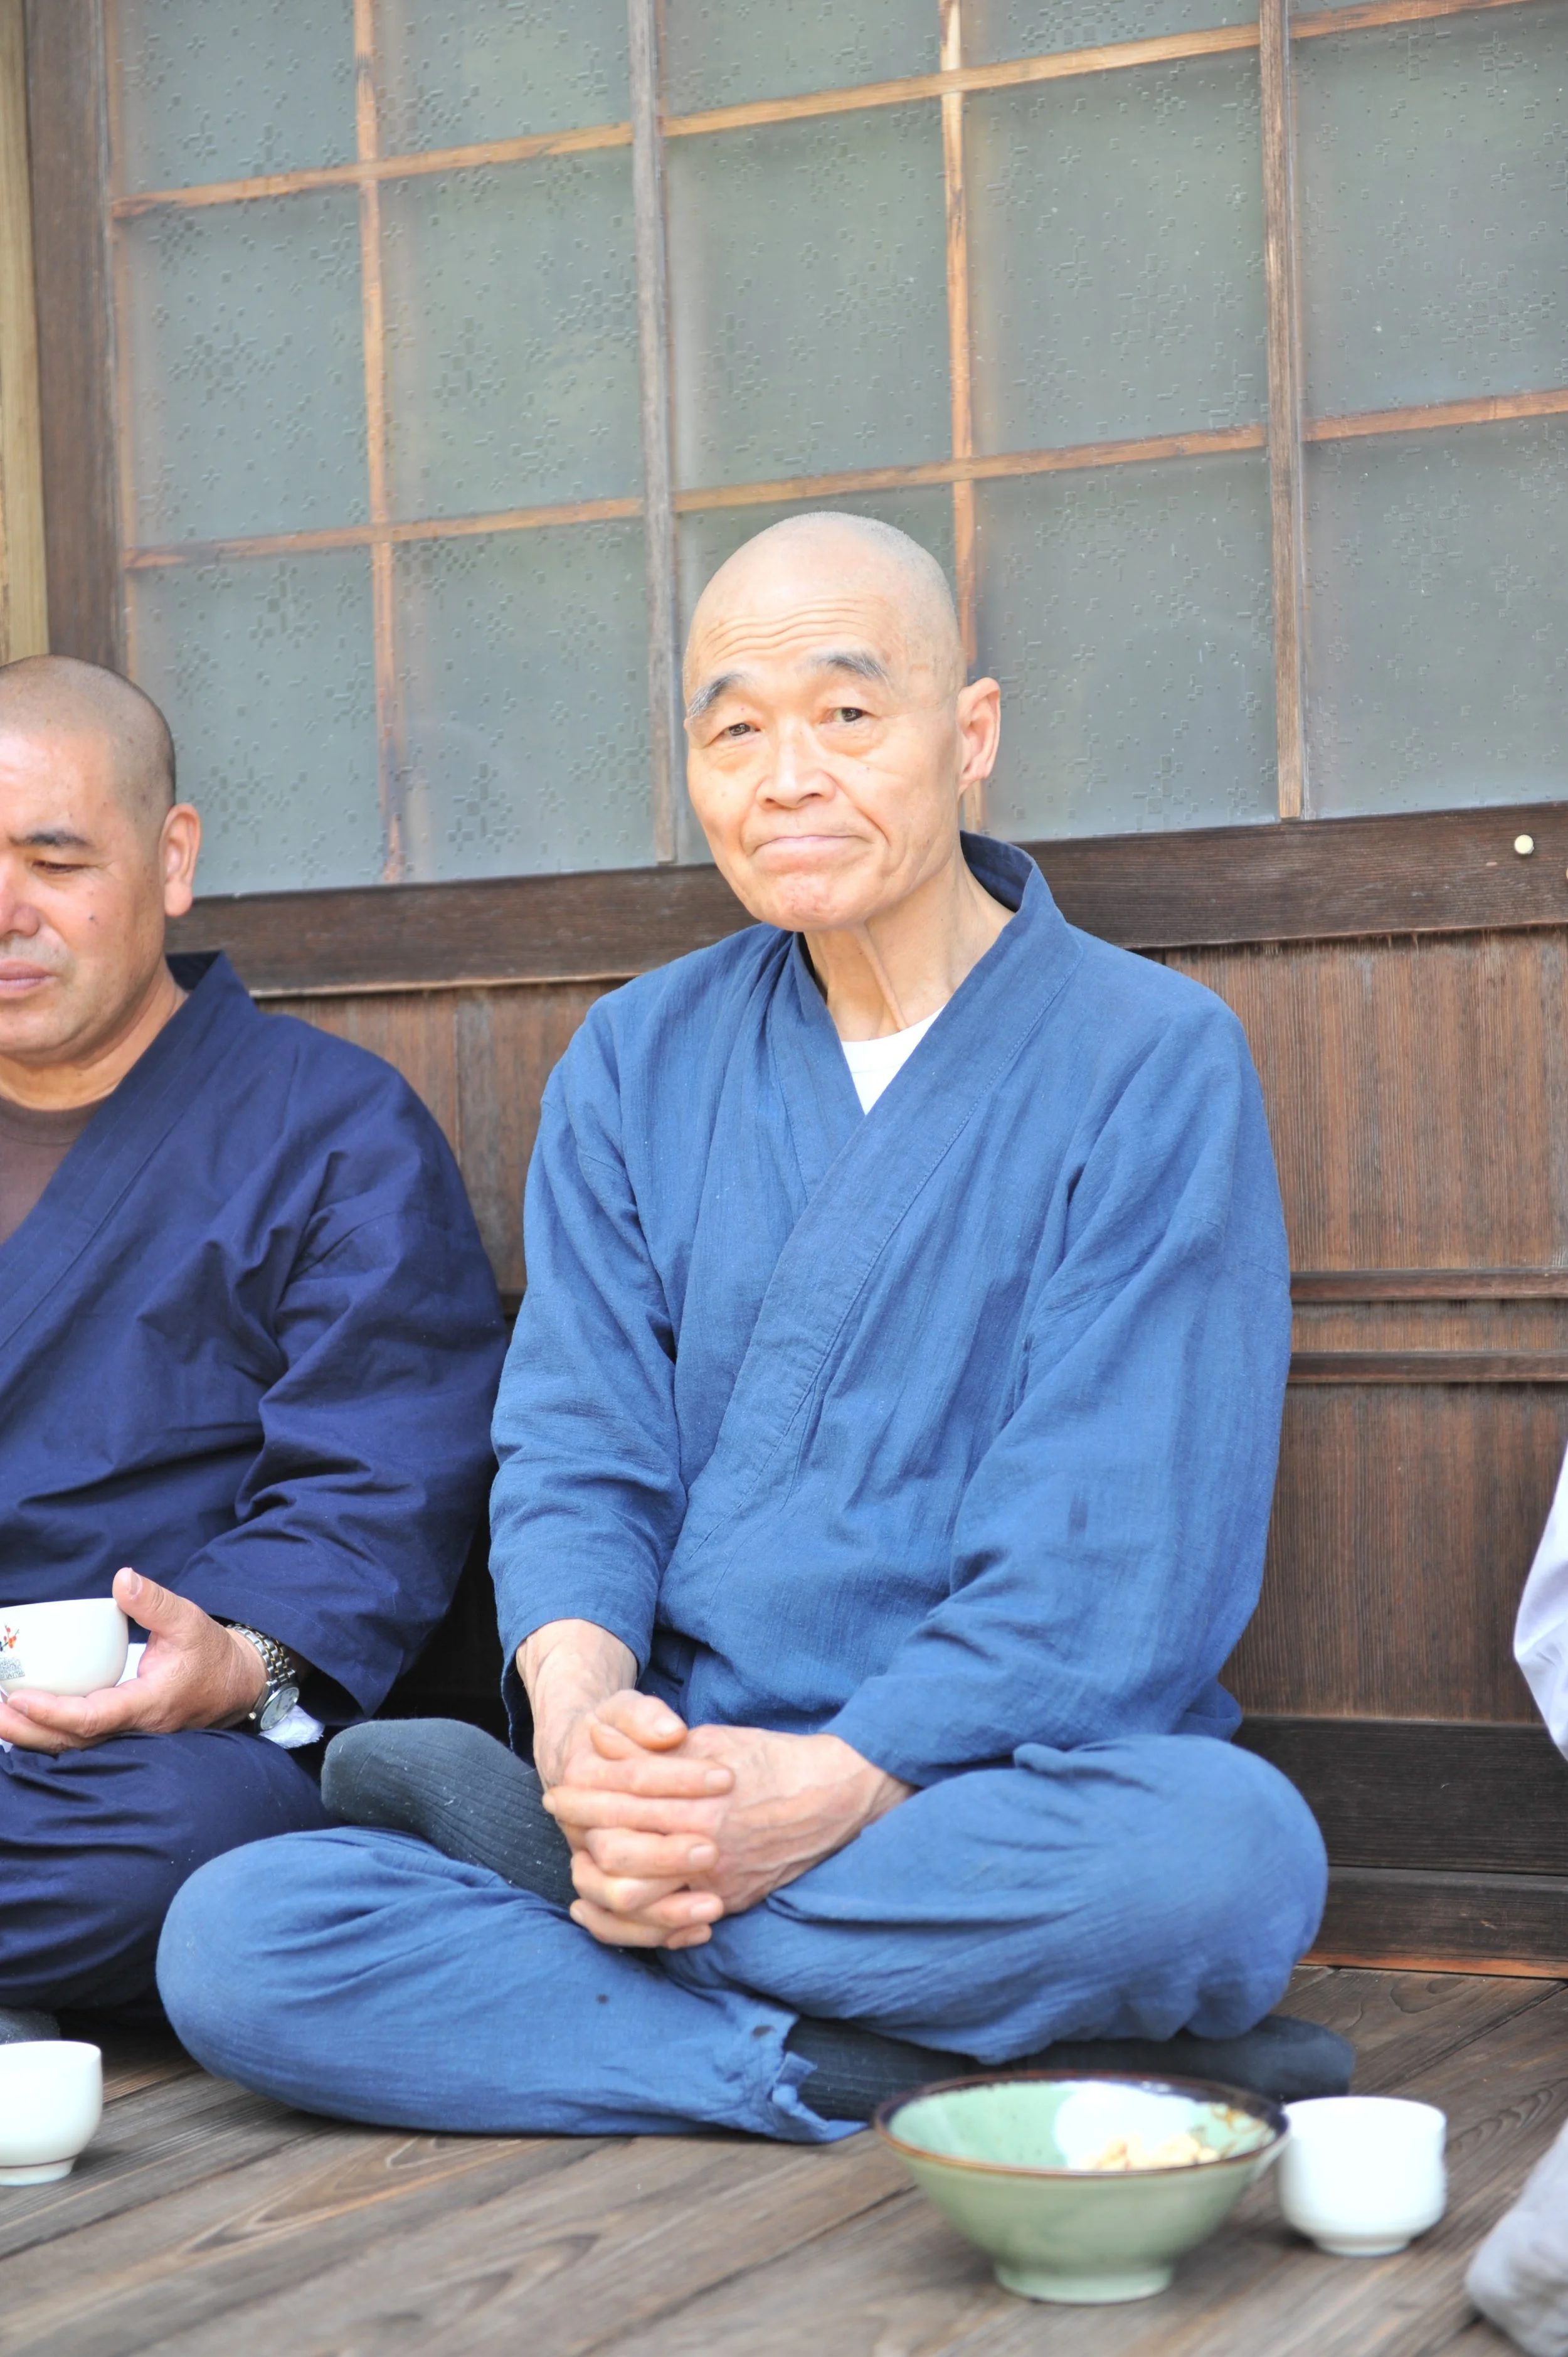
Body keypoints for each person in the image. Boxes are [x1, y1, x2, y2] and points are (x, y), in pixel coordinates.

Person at [158, 513, 1342, 2139]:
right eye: (733, 728)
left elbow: (1117, 1576)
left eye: (846, 715)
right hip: (680, 1771)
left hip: (977, 1788)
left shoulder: (1148, 1061)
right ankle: (848, 2063)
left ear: (968, 734)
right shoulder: (637, 1062)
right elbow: (578, 1453)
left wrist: (828, 1787)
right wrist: (577, 1720)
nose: (786, 773)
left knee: (1225, 1862)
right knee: (239, 1938)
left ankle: (557, 1881)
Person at [0, 654, 506, 2040]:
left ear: (171, 860)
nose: (6, 912)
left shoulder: (330, 1132)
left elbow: (372, 1486)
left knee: (197, 1849)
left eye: (53, 859)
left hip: (143, 1748)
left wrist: (234, 1658)